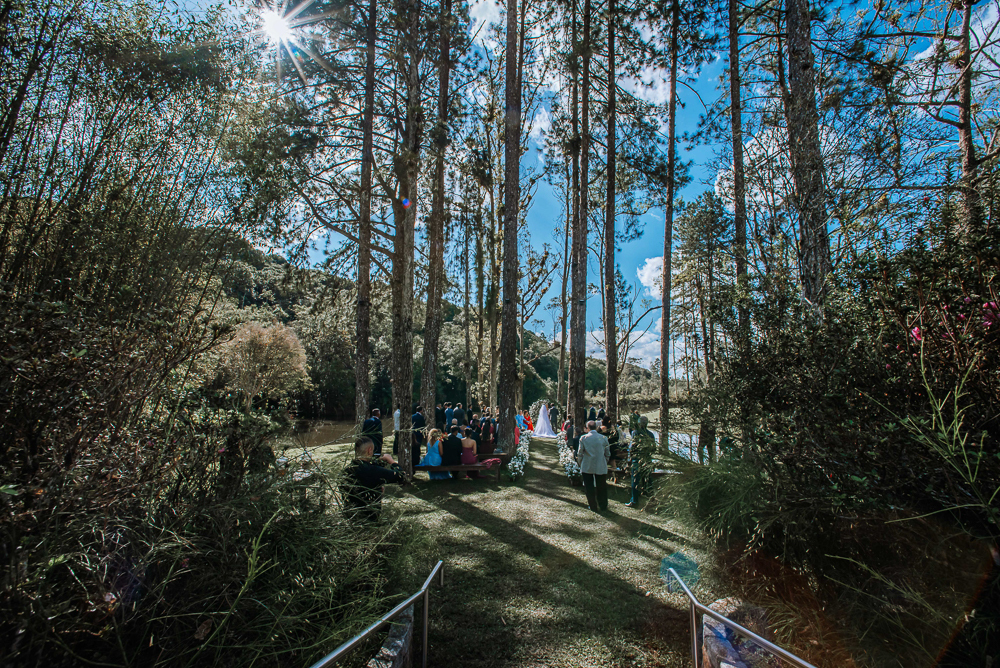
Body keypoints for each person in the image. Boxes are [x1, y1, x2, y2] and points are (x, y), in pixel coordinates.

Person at [342, 437, 406, 521]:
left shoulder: (347, 470)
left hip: (349, 517)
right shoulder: (372, 471)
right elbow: (400, 476)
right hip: (369, 517)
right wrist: (392, 461)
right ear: (369, 450)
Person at [576, 420, 610, 512]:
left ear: (587, 428)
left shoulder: (584, 438)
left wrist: (580, 463)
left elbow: (580, 453)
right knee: (601, 486)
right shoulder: (603, 438)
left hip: (587, 465)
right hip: (600, 465)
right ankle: (603, 505)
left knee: (589, 487)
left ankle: (593, 505)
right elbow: (607, 454)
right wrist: (604, 462)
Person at [626, 416, 657, 508]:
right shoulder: (651, 434)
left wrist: (630, 457)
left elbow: (632, 447)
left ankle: (634, 501)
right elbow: (654, 448)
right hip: (647, 460)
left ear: (639, 424)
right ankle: (651, 500)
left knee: (635, 481)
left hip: (637, 460)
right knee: (648, 481)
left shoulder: (635, 433)